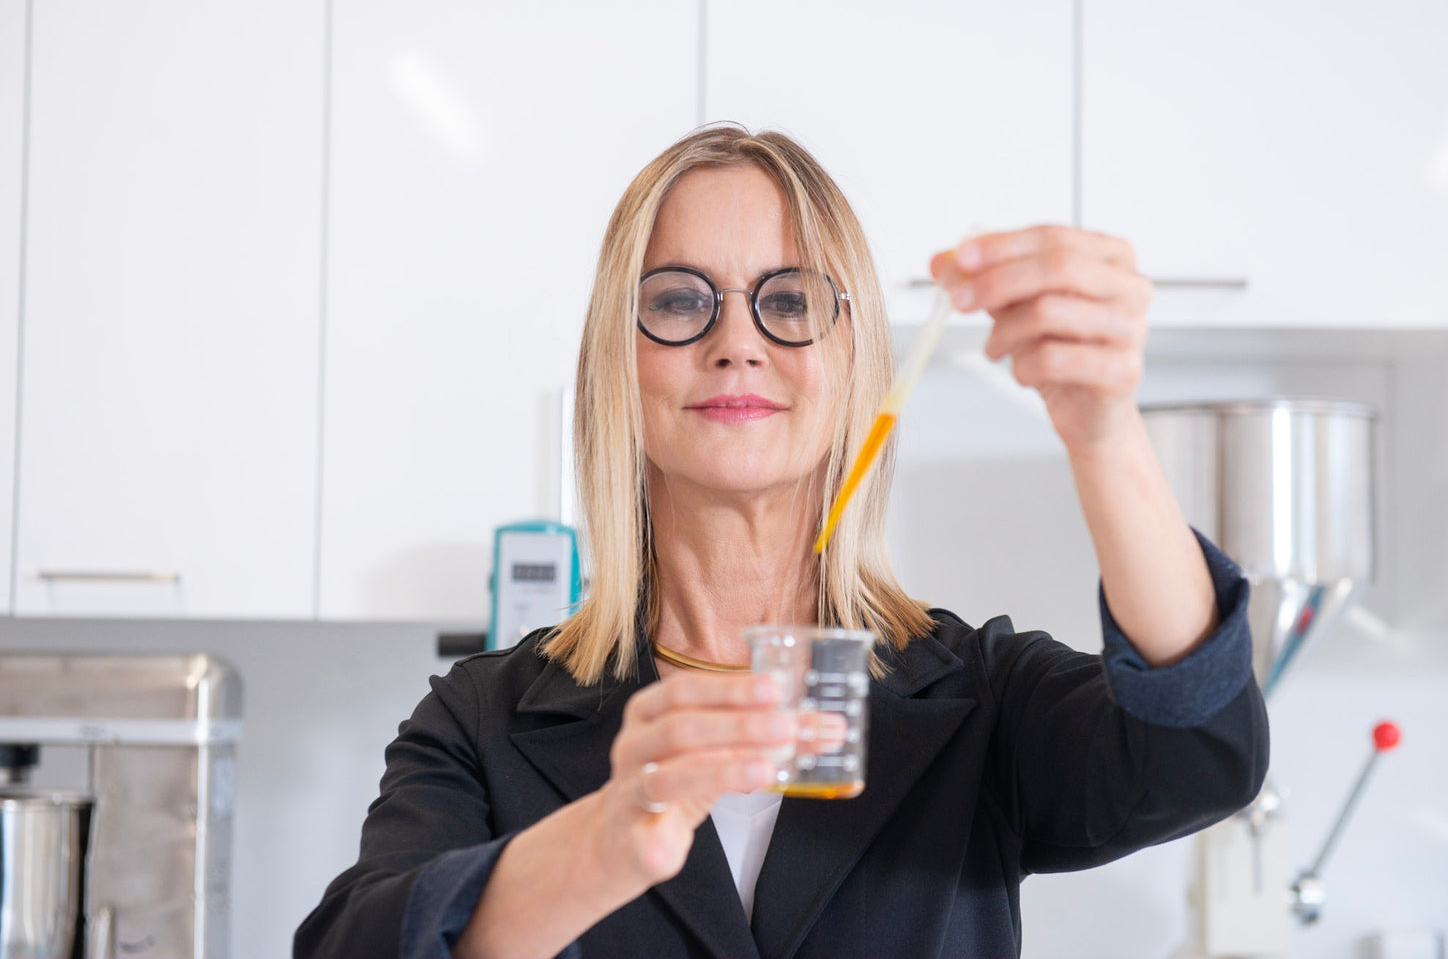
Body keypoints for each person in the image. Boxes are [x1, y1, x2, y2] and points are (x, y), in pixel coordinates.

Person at [293, 125, 1269, 959]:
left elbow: (1195, 753)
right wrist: (604, 841)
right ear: (614, 365)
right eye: (680, 300)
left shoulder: (976, 698)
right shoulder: (483, 722)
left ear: (855, 364)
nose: (738, 341)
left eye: (789, 299)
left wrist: (1103, 428)